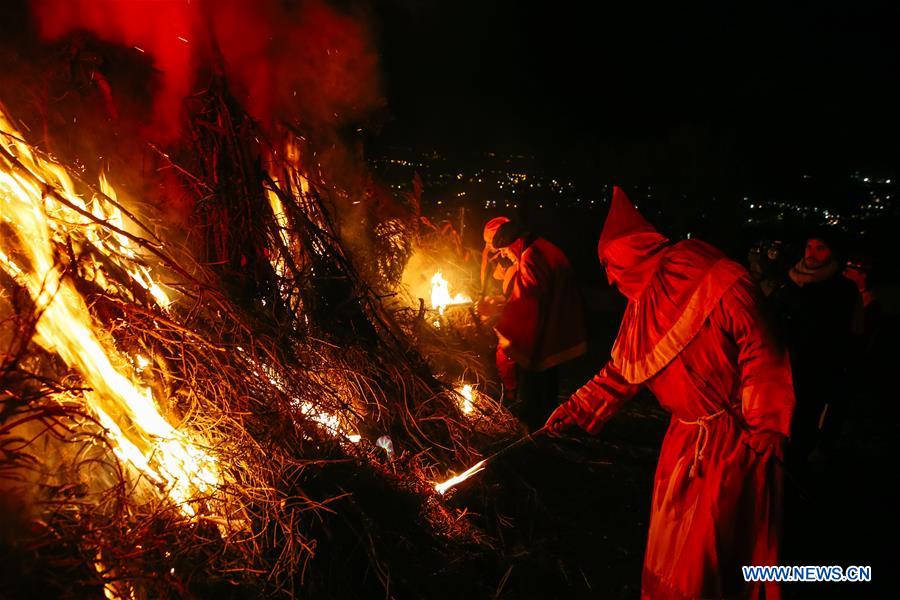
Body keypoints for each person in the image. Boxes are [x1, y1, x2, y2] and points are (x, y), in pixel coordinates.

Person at [546, 187, 795, 599]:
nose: (609, 278)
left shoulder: (712, 276)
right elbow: (622, 372)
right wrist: (575, 408)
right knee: (672, 548)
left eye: (610, 264)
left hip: (732, 441)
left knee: (710, 550)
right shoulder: (641, 306)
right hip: (682, 441)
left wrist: (766, 423)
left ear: (634, 253)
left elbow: (762, 347)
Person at [478, 219, 587, 431]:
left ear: (515, 242)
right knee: (548, 386)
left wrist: (497, 315)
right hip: (555, 325)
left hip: (543, 335)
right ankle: (547, 427)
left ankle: (532, 432)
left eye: (505, 250)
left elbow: (528, 305)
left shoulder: (531, 257)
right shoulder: (541, 247)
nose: (505, 255)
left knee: (533, 388)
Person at [771, 233, 862, 468]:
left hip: (816, 371)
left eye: (820, 248)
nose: (811, 253)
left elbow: (845, 334)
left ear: (832, 253)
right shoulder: (789, 282)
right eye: (809, 247)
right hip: (781, 366)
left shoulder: (842, 290)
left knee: (803, 426)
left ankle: (795, 468)